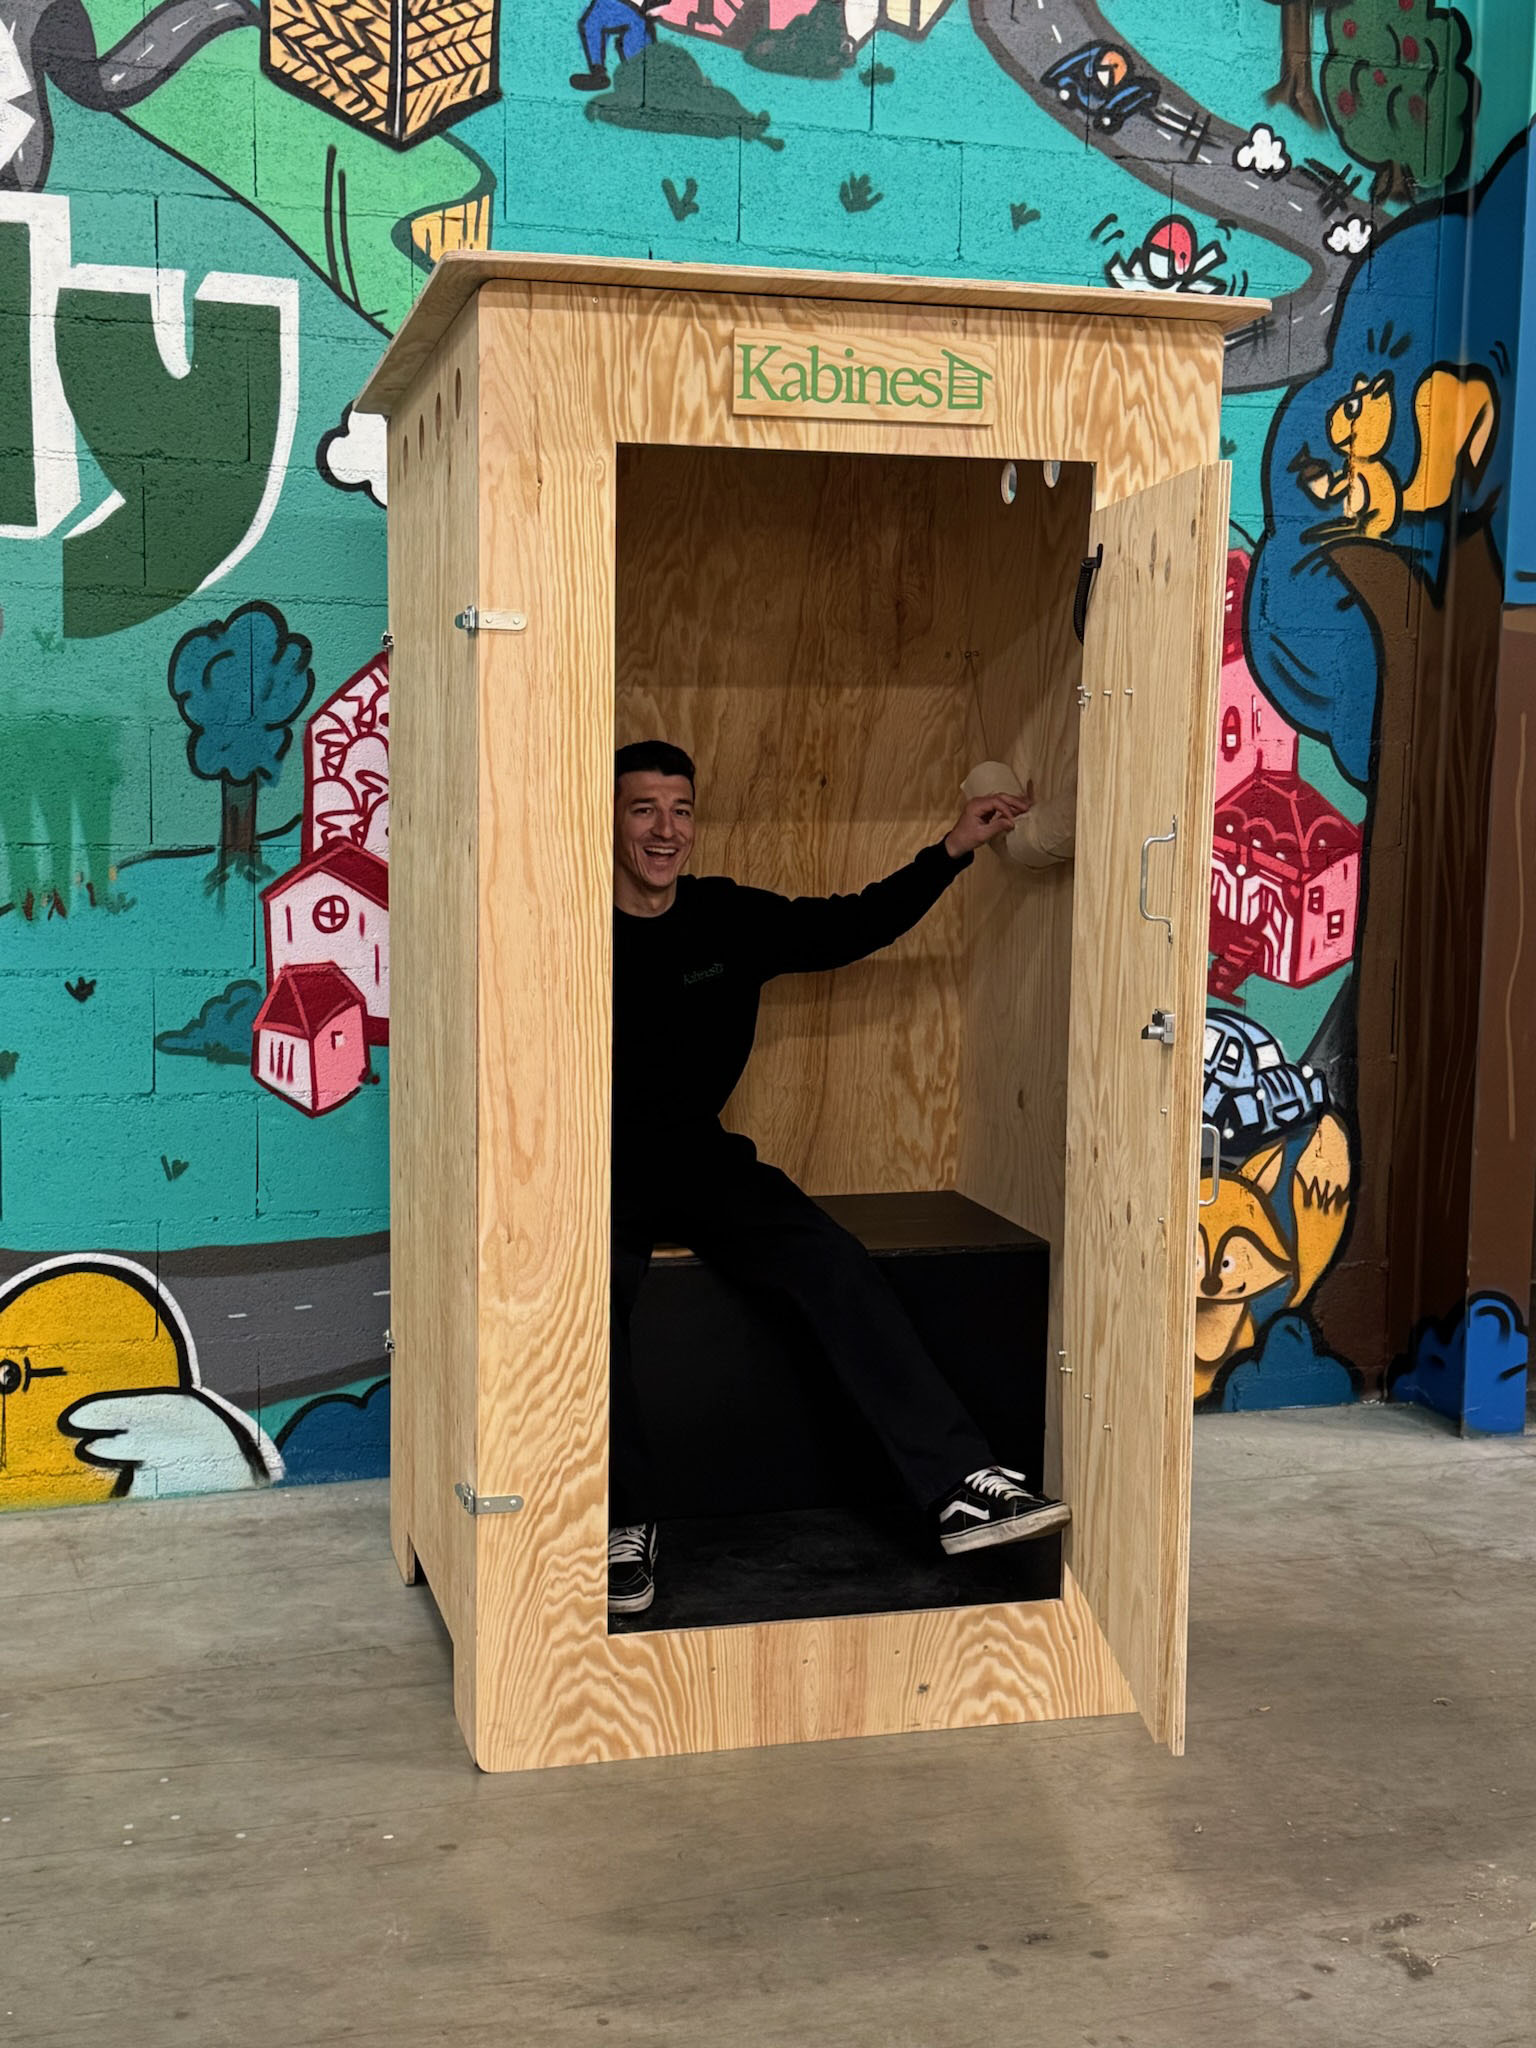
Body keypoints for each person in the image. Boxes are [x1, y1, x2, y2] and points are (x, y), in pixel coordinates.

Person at [608, 740, 1071, 1615]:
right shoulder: (570, 922)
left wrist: (953, 849)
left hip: (699, 1155)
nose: (666, 831)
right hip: (589, 1161)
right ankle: (620, 1526)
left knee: (830, 1258)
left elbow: (852, 924)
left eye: (681, 811)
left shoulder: (725, 919)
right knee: (590, 1292)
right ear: (611, 823)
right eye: (643, 811)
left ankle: (960, 1485)